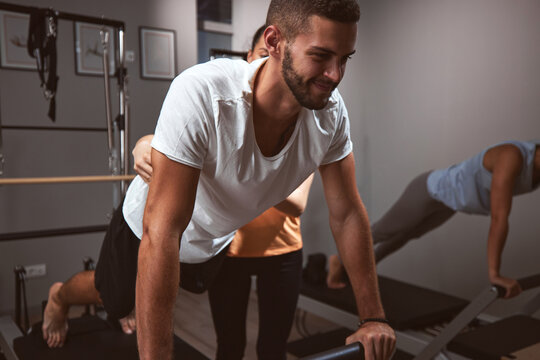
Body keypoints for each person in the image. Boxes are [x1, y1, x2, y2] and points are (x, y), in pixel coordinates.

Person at [43, 1, 396, 359]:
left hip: (211, 243)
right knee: (112, 299)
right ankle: (60, 295)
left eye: (345, 58)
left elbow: (347, 212)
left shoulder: (330, 116)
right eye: (321, 55)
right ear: (274, 42)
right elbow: (162, 232)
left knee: (169, 297)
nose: (335, 75)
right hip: (147, 227)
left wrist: (372, 318)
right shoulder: (203, 93)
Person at [132, 25, 314, 360]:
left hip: (283, 251)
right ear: (250, 60)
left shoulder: (302, 126)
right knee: (228, 345)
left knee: (273, 349)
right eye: (262, 58)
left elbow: (298, 203)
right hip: (230, 249)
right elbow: (171, 148)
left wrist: (253, 173)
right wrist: (142, 145)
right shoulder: (225, 107)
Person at [326, 140, 540, 299]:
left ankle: (368, 269)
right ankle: (338, 259)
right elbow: (499, 218)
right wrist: (495, 274)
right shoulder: (512, 156)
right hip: (429, 190)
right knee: (382, 231)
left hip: (448, 204)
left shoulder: (535, 171)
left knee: (405, 236)